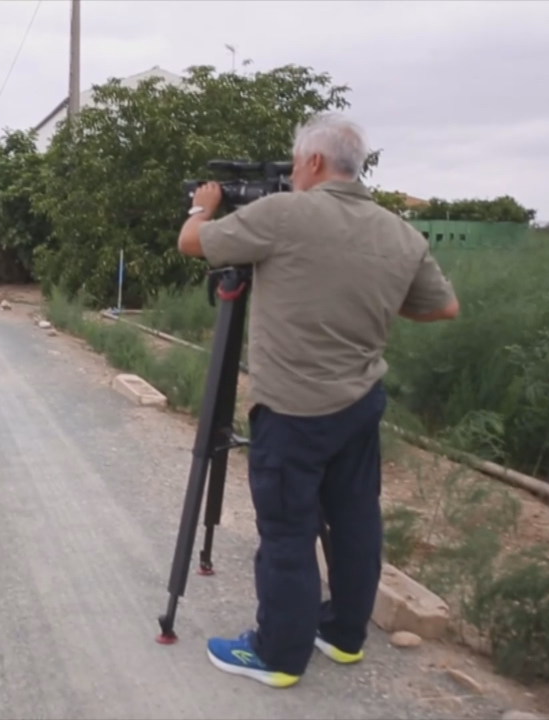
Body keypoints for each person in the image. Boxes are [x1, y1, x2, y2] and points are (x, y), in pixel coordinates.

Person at [175, 112, 459, 689]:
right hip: (360, 405)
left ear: (311, 162)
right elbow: (442, 307)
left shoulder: (284, 214)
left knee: (287, 530)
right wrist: (374, 299)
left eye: (296, 161)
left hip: (294, 408)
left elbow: (191, 243)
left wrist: (204, 203)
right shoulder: (398, 232)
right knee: (355, 520)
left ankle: (278, 654)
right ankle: (344, 636)